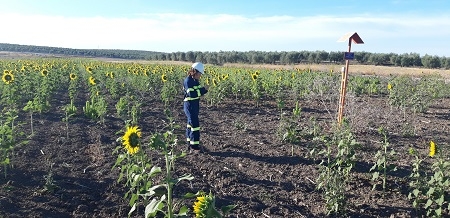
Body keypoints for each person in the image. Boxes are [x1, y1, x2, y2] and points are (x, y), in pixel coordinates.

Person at [183, 62, 208, 153]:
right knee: (195, 125)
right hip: (189, 105)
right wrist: (203, 90)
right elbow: (192, 94)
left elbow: (199, 90)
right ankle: (194, 146)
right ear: (195, 72)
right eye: (200, 74)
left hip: (194, 105)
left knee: (191, 124)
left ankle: (190, 143)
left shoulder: (194, 81)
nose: (200, 76)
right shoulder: (188, 81)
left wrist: (204, 89)